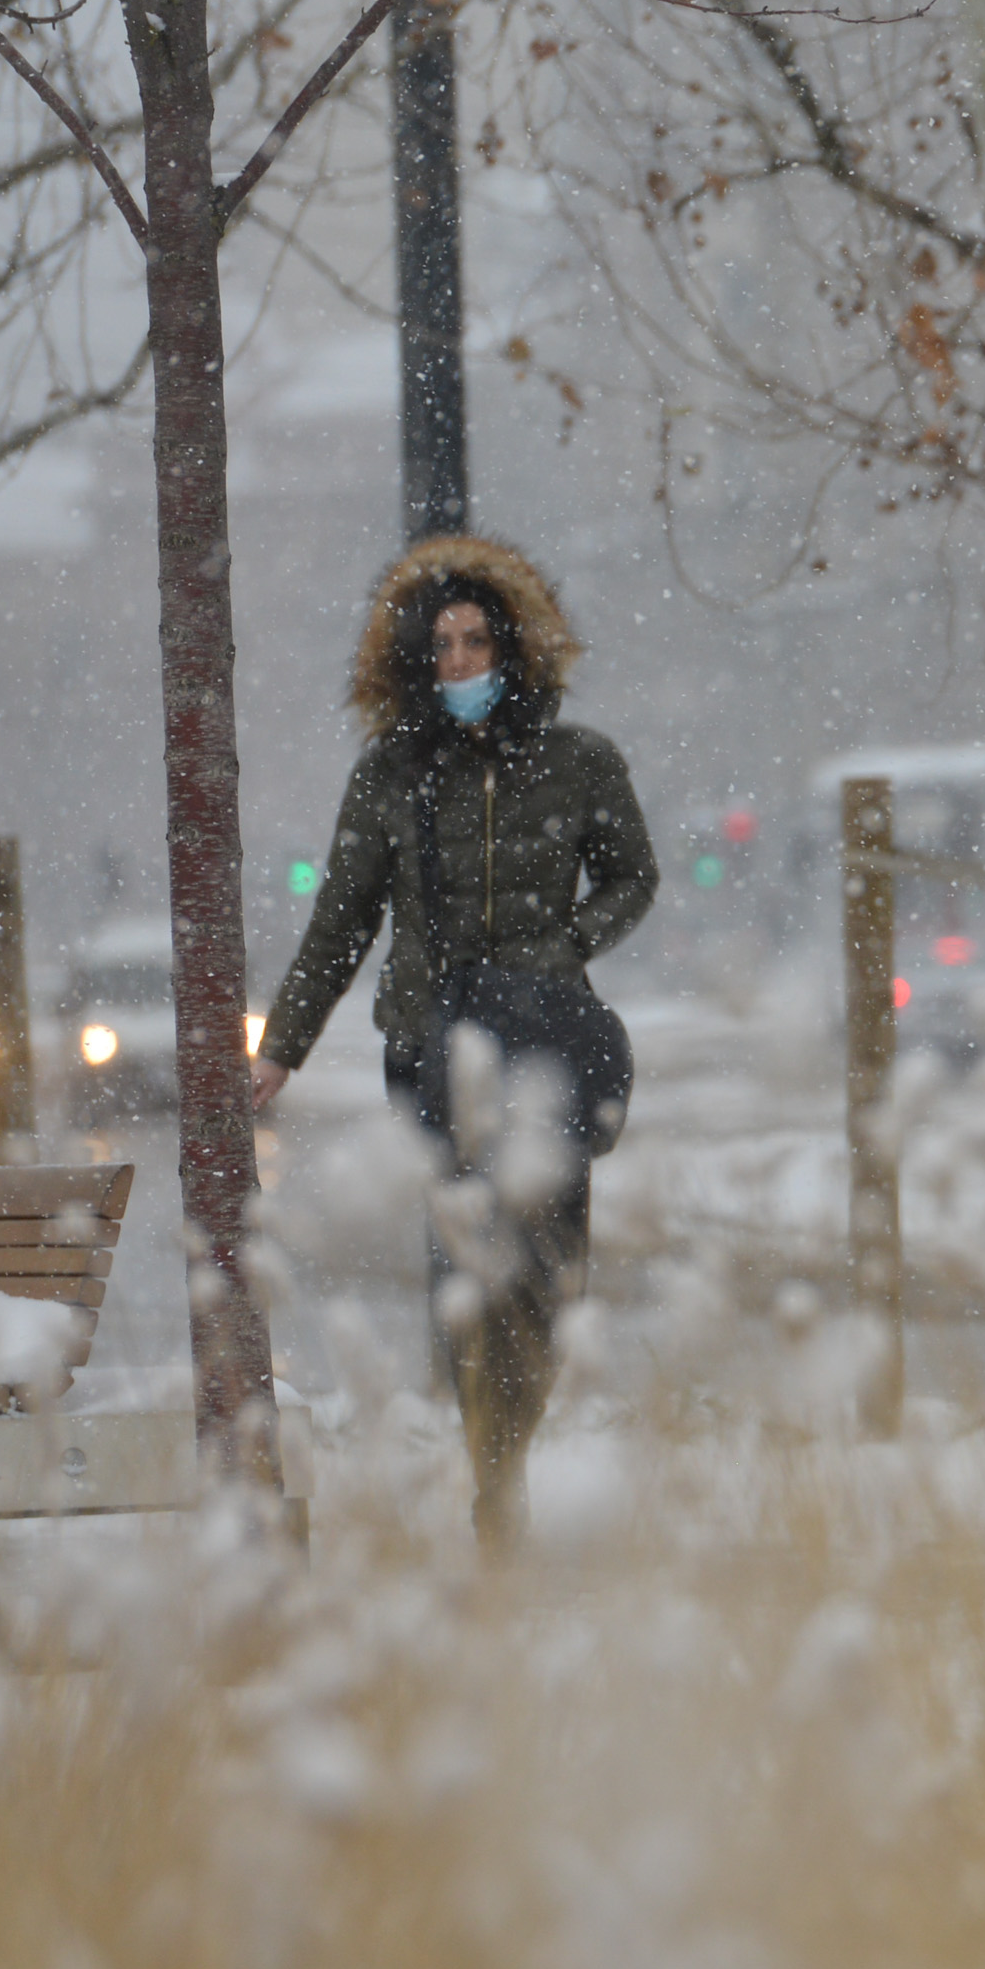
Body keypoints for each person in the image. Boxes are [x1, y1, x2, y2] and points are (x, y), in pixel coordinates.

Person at [252, 534, 658, 1551]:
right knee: (468, 1267)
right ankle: (494, 1477)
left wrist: (564, 944)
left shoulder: (580, 761)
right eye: (440, 645)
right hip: (433, 1053)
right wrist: (281, 1047)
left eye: (478, 640)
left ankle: (512, 1440)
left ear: (514, 648)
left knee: (550, 1269)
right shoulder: (392, 774)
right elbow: (342, 918)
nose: (461, 662)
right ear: (412, 660)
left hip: (548, 1043)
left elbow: (632, 876)